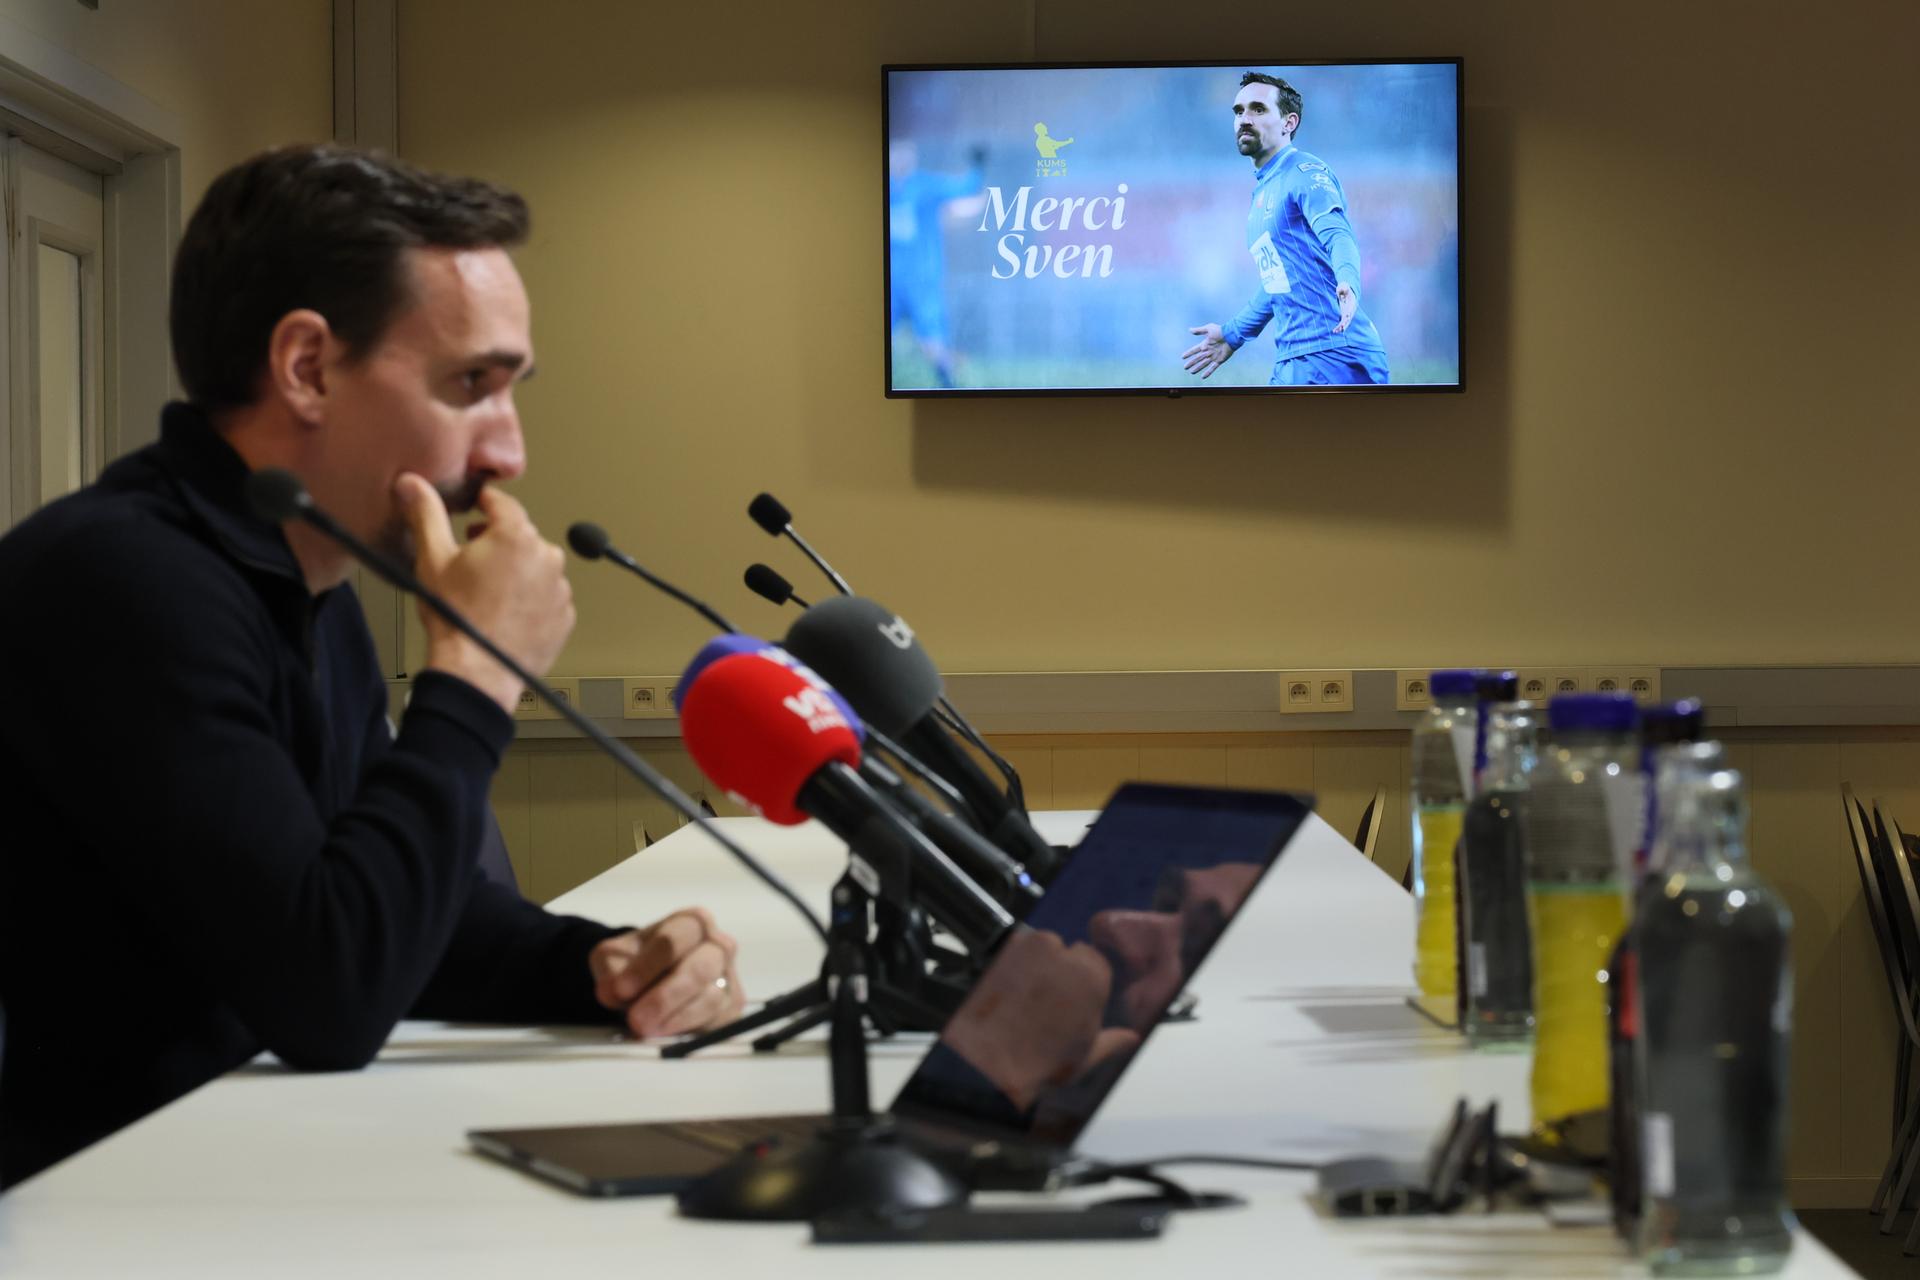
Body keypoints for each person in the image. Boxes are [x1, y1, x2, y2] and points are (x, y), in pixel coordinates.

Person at [0, 145, 747, 1189]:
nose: (512, 450)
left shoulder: (314, 588)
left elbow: (388, 916)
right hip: (92, 1208)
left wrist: (594, 965)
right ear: (306, 366)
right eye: (472, 384)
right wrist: (477, 673)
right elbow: (330, 993)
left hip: (229, 1176)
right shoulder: (124, 581)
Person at [1182, 72, 1391, 386]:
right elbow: (1277, 283)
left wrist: (1348, 280)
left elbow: (1338, 235)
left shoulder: (1305, 173)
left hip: (1333, 353)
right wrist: (1232, 334)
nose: (1244, 119)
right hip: (1295, 357)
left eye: (1258, 109)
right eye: (1238, 111)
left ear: (1289, 123)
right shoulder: (1263, 193)